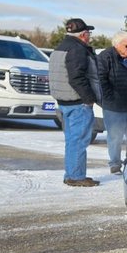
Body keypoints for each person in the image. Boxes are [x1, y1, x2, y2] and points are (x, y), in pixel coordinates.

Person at [48, 18, 101, 187]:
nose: (89, 36)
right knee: (79, 141)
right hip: (78, 103)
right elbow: (76, 78)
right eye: (88, 33)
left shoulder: (59, 48)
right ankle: (76, 177)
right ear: (83, 34)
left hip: (64, 102)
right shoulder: (77, 49)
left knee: (72, 140)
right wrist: (89, 99)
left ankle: (71, 174)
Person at [97, 30, 127, 174]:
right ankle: (115, 164)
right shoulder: (105, 57)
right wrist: (110, 97)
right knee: (115, 137)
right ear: (117, 45)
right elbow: (100, 80)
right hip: (114, 107)